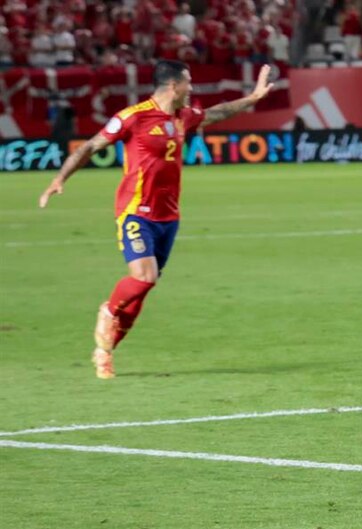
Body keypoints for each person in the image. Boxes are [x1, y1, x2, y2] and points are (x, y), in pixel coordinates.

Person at [38, 59, 274, 379]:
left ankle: (105, 351)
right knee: (144, 277)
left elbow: (219, 112)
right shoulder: (132, 117)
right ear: (173, 85)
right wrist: (59, 179)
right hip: (136, 211)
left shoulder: (183, 118)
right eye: (188, 82)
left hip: (169, 217)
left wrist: (254, 98)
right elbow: (91, 146)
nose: (192, 88)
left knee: (144, 288)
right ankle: (108, 310)